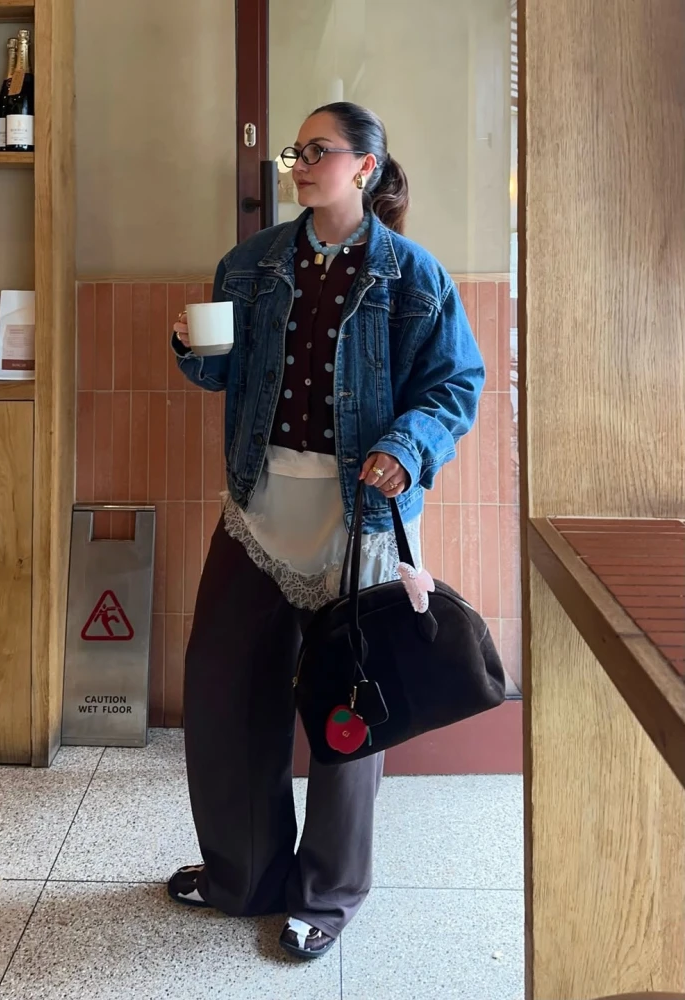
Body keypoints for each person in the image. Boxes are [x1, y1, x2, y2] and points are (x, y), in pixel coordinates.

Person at [168, 102, 485, 960]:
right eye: (295, 152)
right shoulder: (250, 264)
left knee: (352, 704)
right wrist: (191, 348)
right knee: (224, 690)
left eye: (319, 150)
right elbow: (220, 373)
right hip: (257, 508)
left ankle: (328, 895)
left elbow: (456, 386)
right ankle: (243, 875)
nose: (301, 164)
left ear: (365, 167)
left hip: (362, 518)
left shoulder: (414, 276)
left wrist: (407, 446)